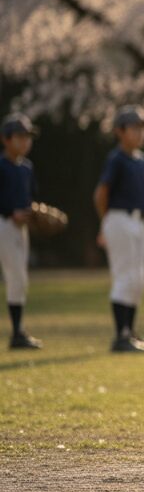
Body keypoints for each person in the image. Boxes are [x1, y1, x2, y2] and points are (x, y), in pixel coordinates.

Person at [94, 106, 144, 353]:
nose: (140, 133)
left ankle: (130, 332)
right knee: (124, 277)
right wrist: (105, 223)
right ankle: (120, 336)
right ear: (120, 131)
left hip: (140, 220)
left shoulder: (142, 160)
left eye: (143, 128)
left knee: (138, 279)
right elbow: (100, 194)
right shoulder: (116, 159)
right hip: (119, 218)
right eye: (134, 128)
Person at [1, 114, 41, 350]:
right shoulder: (1, 166)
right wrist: (9, 211)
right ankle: (17, 333)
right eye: (19, 136)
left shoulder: (27, 168)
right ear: (5, 139)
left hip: (19, 228)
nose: (25, 141)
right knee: (15, 275)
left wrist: (36, 214)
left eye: (28, 137)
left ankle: (18, 332)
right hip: (3, 223)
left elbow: (31, 199)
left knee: (19, 278)